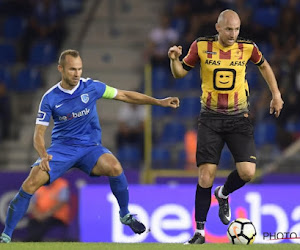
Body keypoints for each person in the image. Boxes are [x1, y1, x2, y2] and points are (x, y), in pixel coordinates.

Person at [0, 49, 180, 243]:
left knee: (115, 167)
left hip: (90, 148)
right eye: (72, 70)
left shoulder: (92, 87)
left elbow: (125, 95)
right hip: (61, 150)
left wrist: (158, 102)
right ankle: (6, 236)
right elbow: (39, 133)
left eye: (79, 69)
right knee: (29, 184)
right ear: (61, 69)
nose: (77, 74)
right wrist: (43, 154)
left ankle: (125, 214)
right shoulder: (50, 98)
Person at [167, 9, 283, 244]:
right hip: (210, 118)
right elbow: (180, 73)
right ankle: (199, 233)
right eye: (229, 29)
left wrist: (276, 94)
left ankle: (224, 193)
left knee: (247, 173)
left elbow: (264, 66)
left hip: (239, 117)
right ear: (218, 28)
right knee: (205, 176)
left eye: (237, 29)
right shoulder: (200, 46)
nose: (233, 34)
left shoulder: (248, 48)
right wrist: (173, 60)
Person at [25, 177, 71, 242]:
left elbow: (62, 202)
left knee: (45, 224)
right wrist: (38, 215)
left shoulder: (62, 184)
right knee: (32, 223)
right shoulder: (38, 185)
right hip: (40, 216)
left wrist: (46, 214)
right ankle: (32, 241)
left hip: (57, 216)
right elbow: (33, 203)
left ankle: (32, 241)